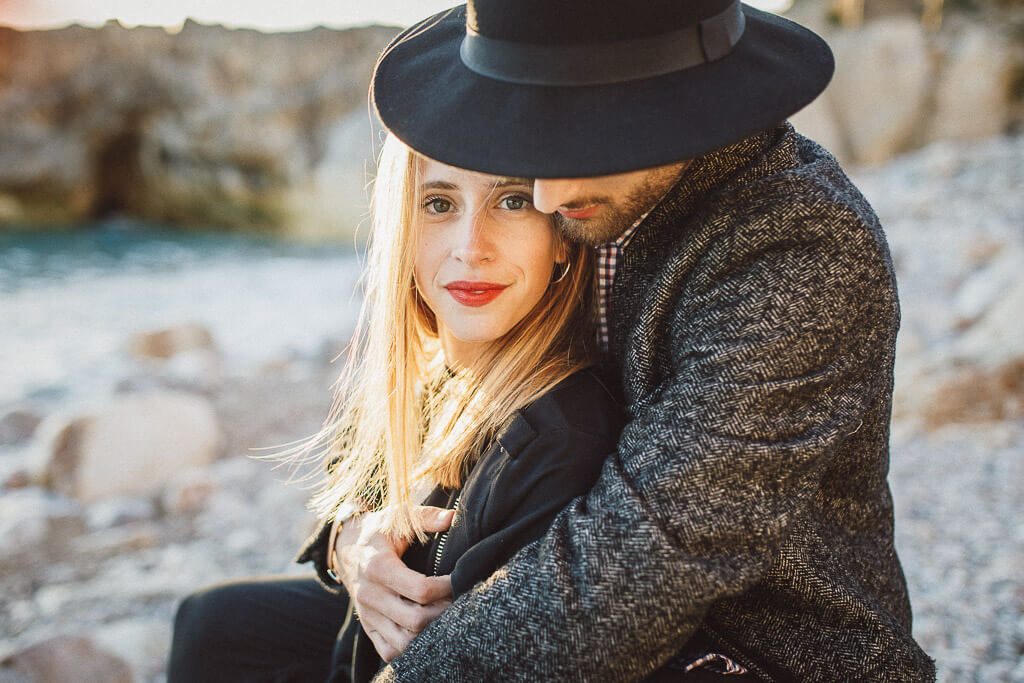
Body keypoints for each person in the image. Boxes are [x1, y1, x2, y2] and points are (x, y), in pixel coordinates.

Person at [310, 0, 937, 681]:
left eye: (587, 139)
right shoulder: (570, 197)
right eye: (534, 137)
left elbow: (637, 566)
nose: (546, 194)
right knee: (232, 629)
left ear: (682, 100)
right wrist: (351, 536)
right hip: (509, 571)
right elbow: (415, 385)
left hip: (745, 650)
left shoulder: (798, 249)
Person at [168, 136, 630, 680]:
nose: (471, 247)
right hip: (358, 642)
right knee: (210, 624)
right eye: (439, 203)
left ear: (562, 237)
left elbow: (454, 661)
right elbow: (350, 475)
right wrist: (350, 545)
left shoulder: (558, 439)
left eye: (512, 201)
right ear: (401, 230)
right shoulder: (428, 366)